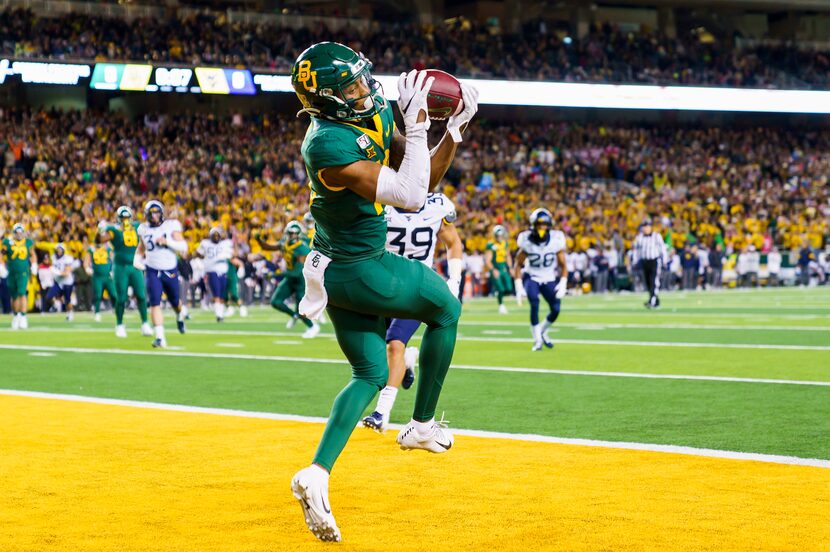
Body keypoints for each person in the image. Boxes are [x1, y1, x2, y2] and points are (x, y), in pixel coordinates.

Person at [287, 42, 477, 542]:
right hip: (360, 267)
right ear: (325, 99)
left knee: (370, 372)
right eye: (349, 86)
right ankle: (421, 424)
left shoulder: (363, 118)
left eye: (362, 77)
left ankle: (316, 474)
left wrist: (450, 132)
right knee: (447, 309)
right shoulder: (327, 144)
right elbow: (412, 199)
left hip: (335, 269)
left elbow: (426, 179)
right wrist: (416, 126)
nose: (364, 89)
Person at [362, 192, 464, 431]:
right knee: (377, 352)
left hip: (417, 287)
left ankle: (381, 412)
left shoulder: (437, 205)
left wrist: (455, 280)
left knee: (394, 344)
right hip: (382, 286)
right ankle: (407, 362)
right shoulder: (381, 202)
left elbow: (453, 242)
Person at [513, 208, 568, 351]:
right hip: (532, 277)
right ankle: (537, 340)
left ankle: (542, 331)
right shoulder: (526, 241)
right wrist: (519, 286)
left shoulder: (556, 239)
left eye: (544, 224)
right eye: (539, 224)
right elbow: (518, 265)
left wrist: (563, 283)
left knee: (556, 309)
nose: (542, 227)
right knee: (534, 303)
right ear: (533, 224)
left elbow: (563, 265)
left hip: (549, 278)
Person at [136, 200, 188, 348]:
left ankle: (179, 316)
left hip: (170, 269)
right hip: (152, 269)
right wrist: (137, 260)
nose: (154, 216)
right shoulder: (143, 229)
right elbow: (141, 248)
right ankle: (160, 337)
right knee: (154, 302)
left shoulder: (171, 225)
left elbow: (184, 246)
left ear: (162, 213)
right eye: (151, 213)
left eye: (156, 212)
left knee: (175, 302)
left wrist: (167, 242)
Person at [258, 221, 320, 338]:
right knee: (275, 302)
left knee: (301, 310)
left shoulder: (302, 249)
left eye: (294, 233)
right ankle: (294, 316)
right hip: (290, 278)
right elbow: (267, 247)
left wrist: (274, 275)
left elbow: (296, 272)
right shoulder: (284, 244)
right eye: (290, 233)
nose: (291, 236)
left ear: (298, 234)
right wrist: (258, 239)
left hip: (300, 281)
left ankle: (313, 327)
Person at [98, 206, 152, 338]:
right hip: (120, 267)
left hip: (135, 266)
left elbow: (144, 240)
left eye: (127, 218)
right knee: (121, 298)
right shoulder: (114, 230)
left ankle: (145, 324)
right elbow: (102, 240)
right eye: (123, 218)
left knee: (141, 295)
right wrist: (101, 230)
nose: (125, 220)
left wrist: (142, 255)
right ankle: (119, 324)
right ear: (119, 219)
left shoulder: (136, 226)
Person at [2, 224, 36, 329]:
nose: (20, 234)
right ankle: (16, 315)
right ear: (14, 232)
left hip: (23, 272)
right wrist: (1, 266)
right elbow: (1, 254)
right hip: (11, 272)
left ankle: (23, 316)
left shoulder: (28, 242)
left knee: (22, 294)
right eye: (18, 232)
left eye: (21, 232)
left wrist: (34, 264)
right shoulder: (7, 242)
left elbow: (32, 254)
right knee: (14, 296)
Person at [196, 227, 233, 322]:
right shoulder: (205, 243)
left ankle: (220, 312)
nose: (216, 237)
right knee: (216, 293)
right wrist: (204, 258)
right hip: (212, 270)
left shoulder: (225, 244)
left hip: (223, 271)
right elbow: (198, 253)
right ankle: (219, 315)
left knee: (221, 294)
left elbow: (232, 253)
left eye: (218, 235)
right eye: (214, 236)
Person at [632, 219, 667, 308]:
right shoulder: (639, 237)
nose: (646, 229)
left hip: (655, 261)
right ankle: (655, 301)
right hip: (644, 262)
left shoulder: (656, 236)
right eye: (644, 227)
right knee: (648, 283)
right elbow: (636, 250)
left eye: (647, 227)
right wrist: (635, 261)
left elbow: (662, 249)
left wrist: (664, 260)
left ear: (650, 227)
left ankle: (652, 302)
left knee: (654, 281)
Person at [84, 241, 116, 322]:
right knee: (97, 295)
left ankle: (115, 309)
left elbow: (114, 260)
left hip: (108, 276)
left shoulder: (108, 248)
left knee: (113, 294)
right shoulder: (91, 249)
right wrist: (88, 269)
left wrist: (113, 270)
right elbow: (86, 262)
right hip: (97, 277)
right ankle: (97, 313)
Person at [485, 225, 513, 314]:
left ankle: (498, 294)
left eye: (501, 235)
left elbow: (508, 256)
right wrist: (493, 270)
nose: (500, 237)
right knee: (501, 289)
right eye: (498, 235)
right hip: (495, 268)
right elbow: (487, 260)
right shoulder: (491, 244)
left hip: (503, 268)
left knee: (509, 288)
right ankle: (501, 305)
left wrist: (511, 268)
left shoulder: (505, 243)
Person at [45, 243, 77, 321]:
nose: (58, 252)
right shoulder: (53, 258)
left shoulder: (68, 258)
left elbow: (66, 273)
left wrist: (56, 272)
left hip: (67, 282)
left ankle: (70, 313)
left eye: (60, 250)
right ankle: (55, 305)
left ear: (63, 251)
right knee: (49, 296)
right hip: (58, 282)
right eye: (57, 250)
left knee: (67, 300)